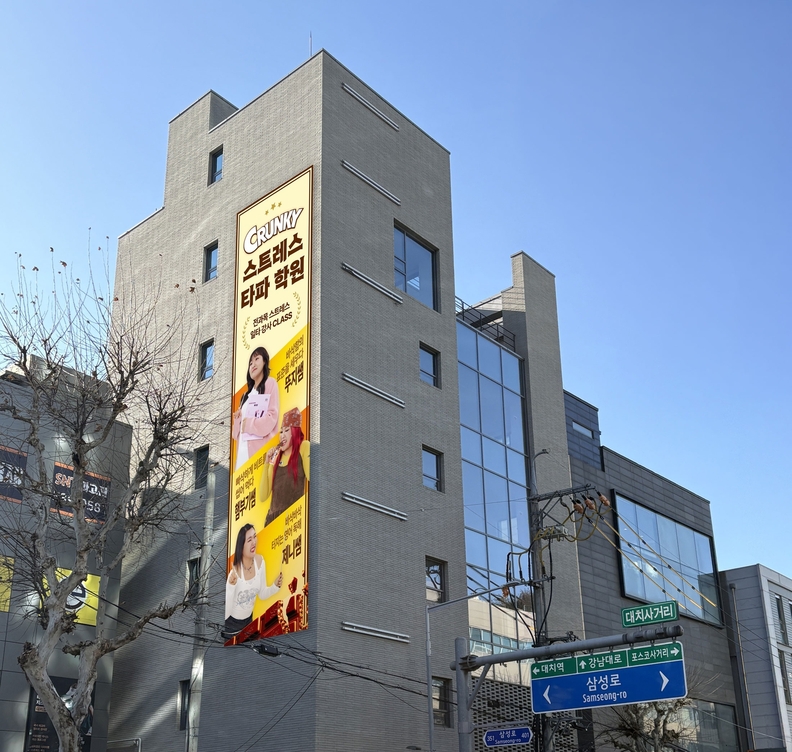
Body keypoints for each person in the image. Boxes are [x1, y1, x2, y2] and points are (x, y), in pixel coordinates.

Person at [224, 524, 283, 635]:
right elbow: (226, 613)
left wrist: (275, 586)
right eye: (249, 540)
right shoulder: (234, 573)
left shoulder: (260, 561)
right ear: (241, 546)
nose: (254, 542)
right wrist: (231, 587)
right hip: (231, 626)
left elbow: (262, 594)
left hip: (249, 622)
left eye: (255, 536)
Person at [232, 347, 280, 470]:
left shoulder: (270, 383)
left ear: (264, 361)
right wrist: (237, 419)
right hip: (241, 457)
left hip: (260, 455)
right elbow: (236, 434)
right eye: (250, 363)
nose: (253, 364)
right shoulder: (244, 396)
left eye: (257, 359)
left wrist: (248, 424)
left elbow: (271, 417)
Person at [261, 408, 311, 525]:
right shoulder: (276, 456)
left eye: (286, 430)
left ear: (295, 431)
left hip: (292, 519)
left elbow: (311, 477)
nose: (282, 435)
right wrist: (267, 463)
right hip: (272, 521)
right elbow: (263, 496)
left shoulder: (304, 446)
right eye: (281, 431)